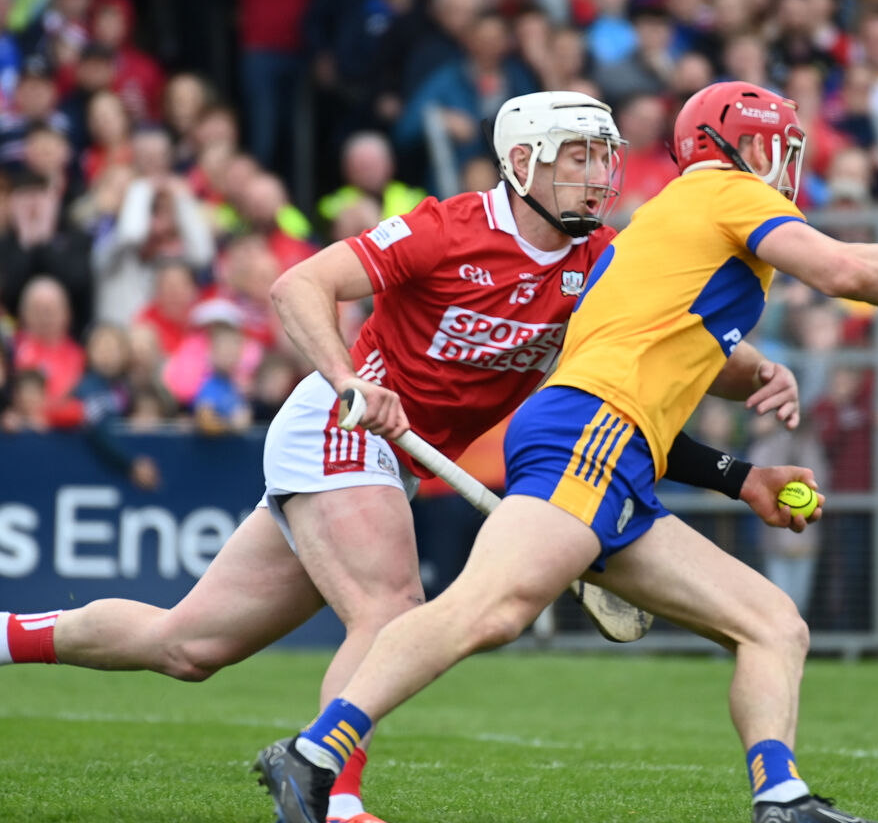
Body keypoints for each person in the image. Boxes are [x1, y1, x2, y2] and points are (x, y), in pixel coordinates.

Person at [2, 91, 806, 823]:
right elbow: (298, 287)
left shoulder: (600, 269)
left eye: (603, 157)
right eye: (575, 157)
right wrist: (351, 377)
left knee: (188, 646)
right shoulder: (446, 227)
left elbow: (649, 391)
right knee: (389, 607)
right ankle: (332, 801)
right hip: (342, 423)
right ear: (521, 163)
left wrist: (750, 378)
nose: (597, 176)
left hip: (398, 457)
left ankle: (8, 635)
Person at [251, 81, 878, 823]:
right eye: (773, 147)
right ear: (731, 149)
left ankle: (783, 798)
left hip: (617, 445)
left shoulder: (641, 239)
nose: (785, 166)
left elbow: (671, 374)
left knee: (772, 624)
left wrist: (743, 475)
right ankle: (316, 754)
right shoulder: (723, 191)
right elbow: (847, 270)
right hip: (587, 430)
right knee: (488, 608)